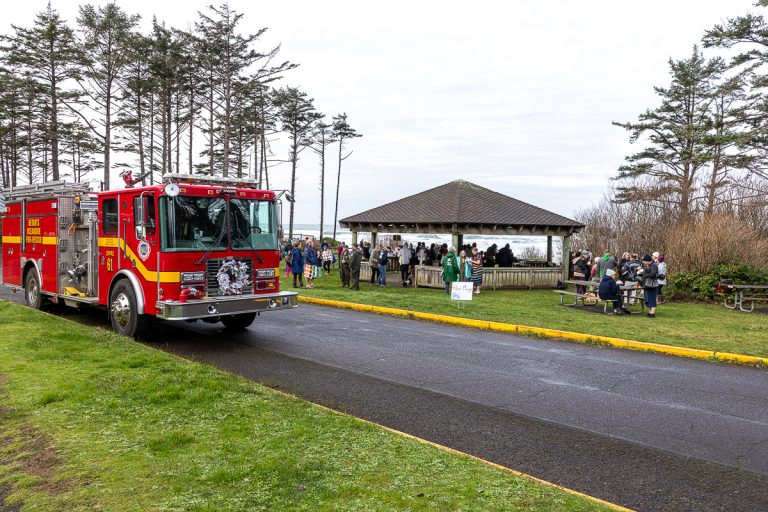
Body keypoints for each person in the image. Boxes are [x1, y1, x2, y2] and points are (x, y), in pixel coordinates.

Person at [637, 253, 659, 318]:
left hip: (652, 284)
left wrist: (644, 274)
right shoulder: (649, 265)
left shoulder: (654, 265)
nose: (644, 263)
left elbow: (653, 274)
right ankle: (650, 312)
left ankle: (652, 313)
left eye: (644, 262)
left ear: (647, 261)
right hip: (647, 284)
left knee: (652, 298)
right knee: (648, 298)